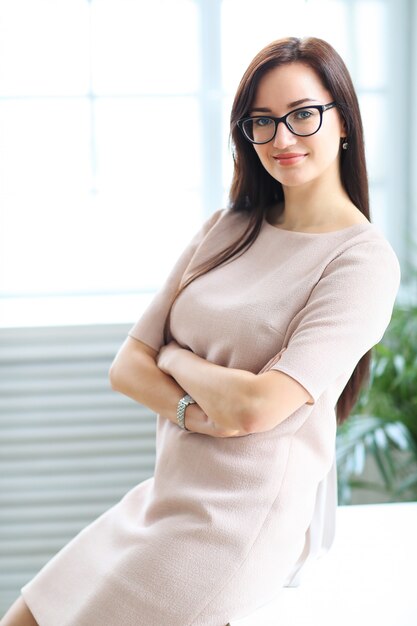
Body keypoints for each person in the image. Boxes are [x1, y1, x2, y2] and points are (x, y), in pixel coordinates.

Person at [2, 36, 400, 626]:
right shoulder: (228, 227)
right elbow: (126, 366)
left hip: (234, 525)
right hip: (165, 496)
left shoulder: (361, 262)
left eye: (302, 115)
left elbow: (255, 409)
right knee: (24, 615)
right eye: (261, 121)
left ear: (344, 121)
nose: (281, 138)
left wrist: (177, 360)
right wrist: (196, 406)